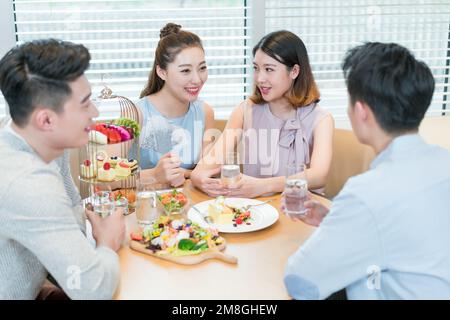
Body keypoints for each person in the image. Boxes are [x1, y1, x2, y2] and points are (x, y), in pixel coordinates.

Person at [283, 42, 450, 300]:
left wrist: (344, 223)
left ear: (361, 111)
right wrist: (335, 221)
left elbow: (301, 281)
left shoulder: (368, 193)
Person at [0, 39, 125, 299]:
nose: (95, 111)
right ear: (46, 120)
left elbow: (72, 221)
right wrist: (107, 242)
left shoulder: (38, 141)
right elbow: (93, 290)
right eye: (85, 103)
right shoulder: (28, 182)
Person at [191, 30, 334, 198]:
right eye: (256, 68)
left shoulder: (321, 119)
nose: (259, 78)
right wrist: (198, 176)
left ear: (294, 71)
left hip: (298, 212)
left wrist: (262, 186)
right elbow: (208, 163)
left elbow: (319, 176)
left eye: (269, 69)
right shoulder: (245, 111)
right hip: (254, 214)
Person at [137, 23, 215, 187]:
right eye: (185, 71)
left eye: (202, 68)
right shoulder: (137, 113)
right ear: (162, 72)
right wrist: (154, 175)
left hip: (191, 206)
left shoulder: (204, 112)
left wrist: (185, 173)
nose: (197, 79)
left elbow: (208, 171)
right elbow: (104, 180)